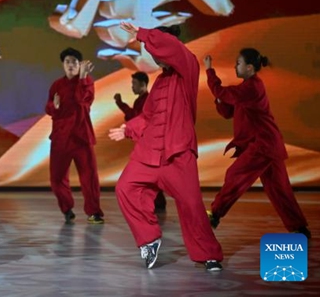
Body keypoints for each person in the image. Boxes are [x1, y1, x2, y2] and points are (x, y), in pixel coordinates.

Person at [109, 22, 223, 271]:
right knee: (125, 189)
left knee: (191, 205)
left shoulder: (188, 68)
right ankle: (149, 239)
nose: (155, 55)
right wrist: (127, 129)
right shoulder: (159, 82)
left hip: (178, 154)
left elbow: (170, 47)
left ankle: (209, 254)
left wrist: (142, 34)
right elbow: (148, 117)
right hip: (149, 154)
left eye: (157, 49)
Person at [204, 49, 310, 239]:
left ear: (250, 67)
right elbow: (228, 111)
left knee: (236, 174)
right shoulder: (245, 88)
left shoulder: (252, 87)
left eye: (238, 63)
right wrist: (220, 98)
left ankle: (214, 215)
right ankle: (299, 228)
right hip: (269, 145)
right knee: (280, 191)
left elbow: (221, 91)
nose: (235, 66)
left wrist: (209, 71)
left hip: (263, 144)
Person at [45, 47, 104, 224]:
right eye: (67, 62)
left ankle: (94, 212)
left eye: (75, 62)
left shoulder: (87, 82)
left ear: (81, 65)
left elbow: (82, 101)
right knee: (56, 179)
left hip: (81, 137)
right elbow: (48, 108)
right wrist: (54, 107)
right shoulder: (56, 85)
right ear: (63, 65)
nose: (71, 65)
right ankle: (67, 208)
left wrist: (83, 78)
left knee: (89, 177)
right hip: (61, 138)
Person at [114, 72, 166, 212]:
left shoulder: (147, 101)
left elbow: (137, 118)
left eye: (134, 84)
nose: (132, 87)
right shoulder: (141, 100)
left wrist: (121, 104)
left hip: (149, 144)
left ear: (143, 84)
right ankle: (156, 202)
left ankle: (155, 202)